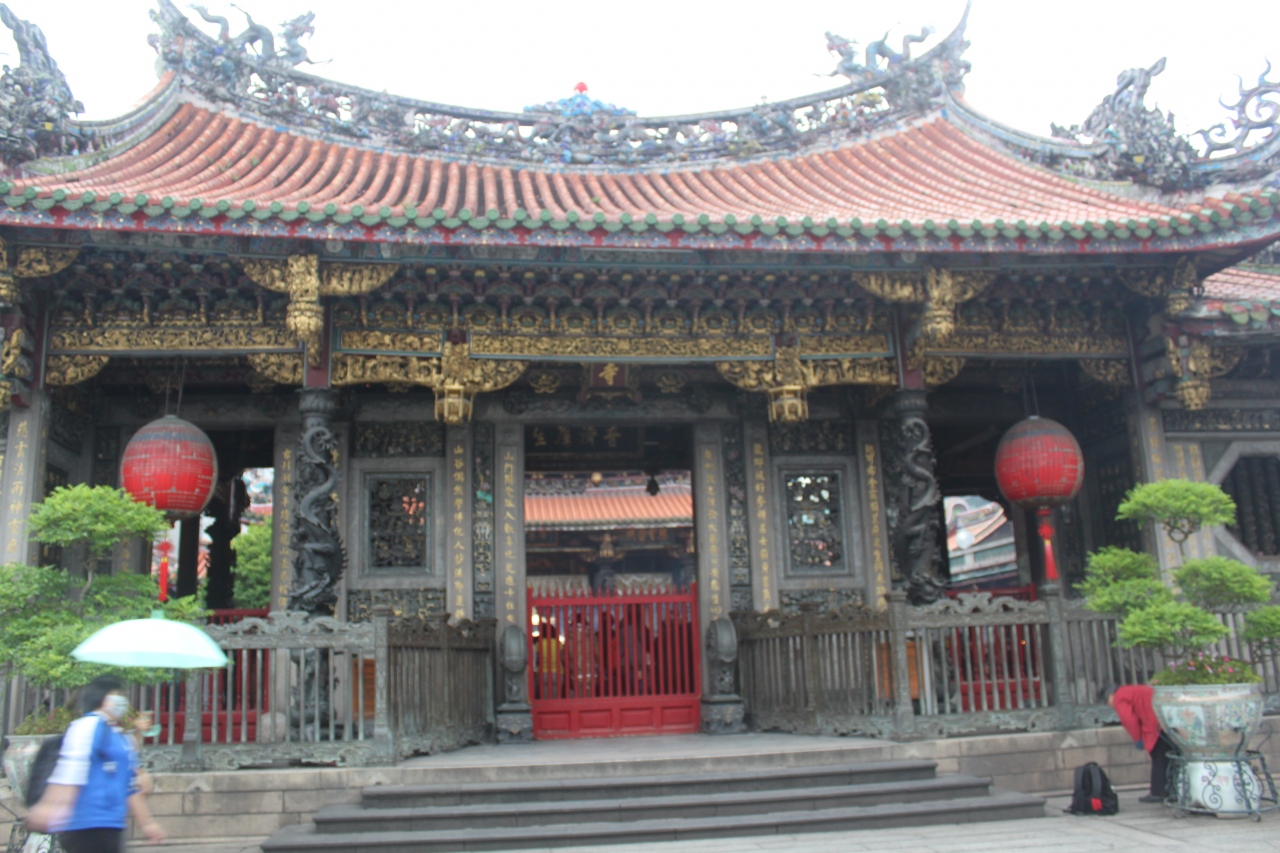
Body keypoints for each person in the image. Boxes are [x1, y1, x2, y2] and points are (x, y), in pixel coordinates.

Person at [25, 675, 167, 851]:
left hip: (112, 824)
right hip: (83, 824)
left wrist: (147, 823)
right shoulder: (87, 726)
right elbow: (71, 768)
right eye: (117, 695)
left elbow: (130, 786)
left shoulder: (120, 738)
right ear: (102, 698)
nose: (122, 702)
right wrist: (50, 805)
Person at [1105, 683, 1177, 803]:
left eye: (1108, 702)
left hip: (1155, 726)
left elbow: (1129, 719)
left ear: (1110, 695)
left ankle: (1159, 792)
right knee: (1169, 758)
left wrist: (1138, 738)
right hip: (1165, 721)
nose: (1110, 705)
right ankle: (1171, 790)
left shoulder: (1119, 697)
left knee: (1159, 759)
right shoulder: (1131, 691)